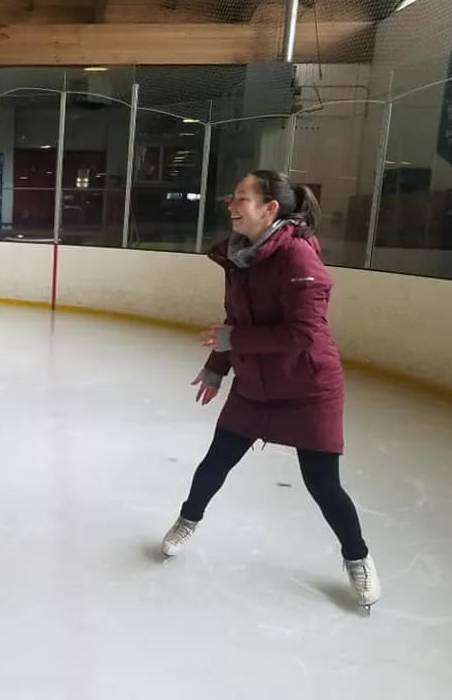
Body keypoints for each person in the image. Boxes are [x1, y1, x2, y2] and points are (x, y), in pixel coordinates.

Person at [160, 170, 381, 612]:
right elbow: (235, 320)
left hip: (308, 388)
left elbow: (302, 333)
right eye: (233, 197)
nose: (232, 204)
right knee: (215, 463)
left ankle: (358, 557)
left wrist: (232, 343)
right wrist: (216, 369)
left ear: (270, 209)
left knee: (322, 484)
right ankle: (187, 521)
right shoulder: (239, 257)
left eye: (242, 198)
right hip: (257, 383)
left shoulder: (299, 260)